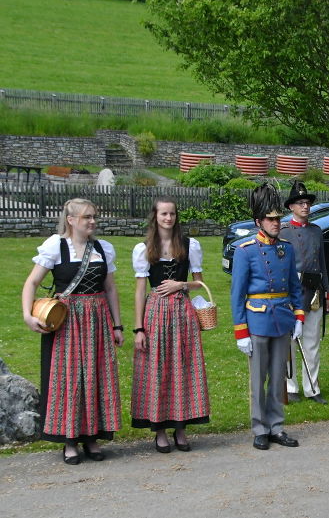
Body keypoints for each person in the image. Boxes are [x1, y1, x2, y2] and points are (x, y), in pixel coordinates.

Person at [21, 198, 123, 465]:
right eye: (87, 217)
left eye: (94, 216)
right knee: (69, 378)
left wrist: (117, 324)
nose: (92, 221)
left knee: (96, 376)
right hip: (67, 321)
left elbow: (111, 289)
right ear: (71, 220)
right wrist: (27, 314)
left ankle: (92, 437)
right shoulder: (55, 246)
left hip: (98, 320)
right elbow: (32, 282)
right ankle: (69, 439)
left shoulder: (103, 248)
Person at [131, 197, 210, 453]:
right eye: (164, 214)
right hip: (155, 312)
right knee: (158, 370)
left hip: (182, 312)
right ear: (155, 216)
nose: (169, 218)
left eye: (172, 214)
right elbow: (140, 289)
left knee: (183, 368)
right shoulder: (144, 248)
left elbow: (199, 282)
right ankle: (160, 430)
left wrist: (181, 285)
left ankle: (181, 427)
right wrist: (138, 328)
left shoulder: (189, 245)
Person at [231, 183, 305, 451]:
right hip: (258, 322)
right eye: (271, 219)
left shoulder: (286, 248)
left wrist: (299, 318)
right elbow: (237, 294)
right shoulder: (245, 251)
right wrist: (241, 332)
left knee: (277, 378)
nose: (277, 223)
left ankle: (276, 426)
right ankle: (259, 428)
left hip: (282, 321)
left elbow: (294, 288)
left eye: (278, 218)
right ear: (258, 221)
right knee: (258, 380)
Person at [280, 181, 329, 405]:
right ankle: (290, 386)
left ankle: (312, 386)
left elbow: (322, 264)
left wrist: (327, 291)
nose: (305, 207)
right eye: (300, 203)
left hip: (314, 292)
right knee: (290, 342)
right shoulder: (283, 232)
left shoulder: (316, 231)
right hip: (291, 292)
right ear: (291, 207)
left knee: (311, 342)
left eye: (307, 203)